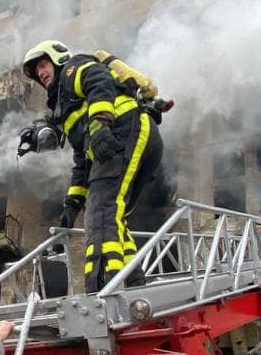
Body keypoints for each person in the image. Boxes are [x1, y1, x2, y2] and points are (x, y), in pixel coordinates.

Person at [22, 40, 165, 292]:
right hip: (129, 137)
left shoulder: (72, 69)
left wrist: (100, 125)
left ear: (57, 59)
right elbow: (82, 162)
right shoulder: (64, 108)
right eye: (36, 72)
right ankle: (132, 281)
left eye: (43, 65)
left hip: (124, 130)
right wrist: (71, 205)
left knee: (100, 213)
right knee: (112, 216)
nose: (41, 73)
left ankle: (102, 287)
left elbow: (98, 80)